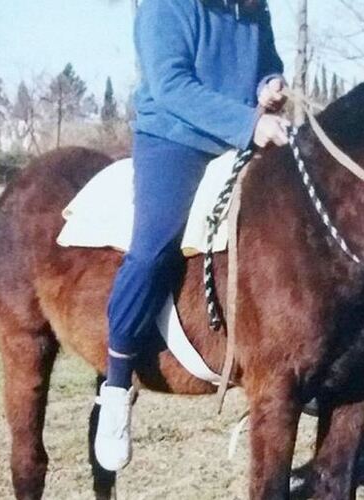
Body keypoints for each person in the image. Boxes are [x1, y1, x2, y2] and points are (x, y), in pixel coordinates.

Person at [94, 0, 290, 472]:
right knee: (154, 247)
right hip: (175, 140)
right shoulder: (165, 6)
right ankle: (117, 385)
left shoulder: (252, 5)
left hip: (241, 136)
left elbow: (268, 61)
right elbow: (172, 86)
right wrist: (250, 122)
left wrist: (270, 84)